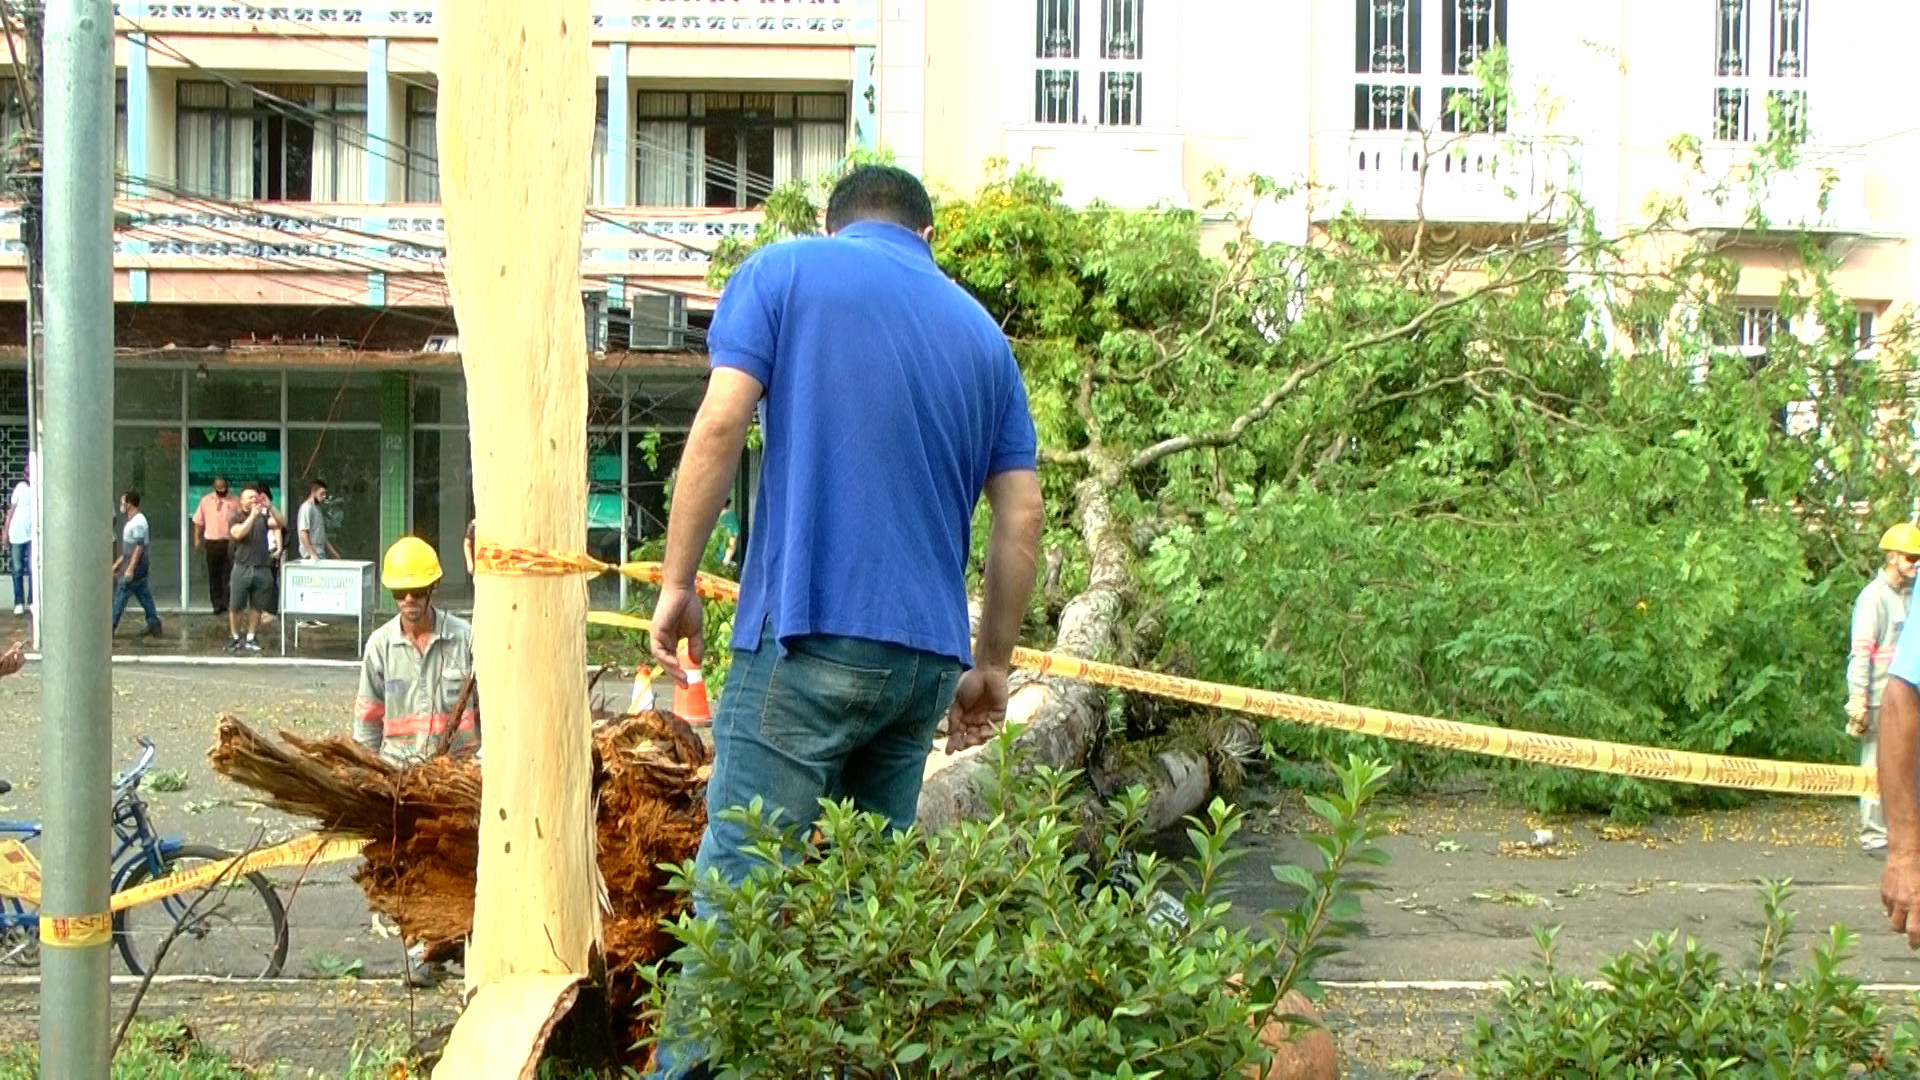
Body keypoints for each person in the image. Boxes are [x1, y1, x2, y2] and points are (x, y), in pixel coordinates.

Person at [646, 165, 1043, 1079]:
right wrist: (990, 664)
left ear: (834, 227)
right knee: (866, 914)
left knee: (738, 892)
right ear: (928, 238)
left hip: (805, 641)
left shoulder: (784, 274)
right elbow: (1022, 514)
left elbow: (717, 428)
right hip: (922, 668)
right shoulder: (982, 334)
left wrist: (677, 582)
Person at [353, 535, 478, 989]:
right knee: (411, 872)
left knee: (461, 867)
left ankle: (463, 949)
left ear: (433, 590)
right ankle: (422, 955)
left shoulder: (466, 641)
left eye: (415, 591)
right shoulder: (381, 648)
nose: (407, 600)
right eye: (398, 593)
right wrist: (366, 778)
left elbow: (493, 710)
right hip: (402, 780)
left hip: (458, 781)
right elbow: (367, 722)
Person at [1851, 523, 1920, 854]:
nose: (1915, 564)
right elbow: (1861, 653)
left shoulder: (1910, 596)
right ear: (1892, 557)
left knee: (1906, 765)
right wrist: (1857, 700)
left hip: (1907, 698)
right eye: (1910, 557)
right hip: (1879, 698)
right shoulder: (1873, 598)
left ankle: (1895, 832)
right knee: (1874, 764)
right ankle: (1873, 835)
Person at [226, 481, 284, 654]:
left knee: (257, 606)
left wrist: (270, 506)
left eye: (255, 497)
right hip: (242, 567)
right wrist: (252, 516)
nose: (253, 500)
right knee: (236, 606)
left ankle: (251, 637)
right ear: (241, 500)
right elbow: (238, 533)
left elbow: (281, 523)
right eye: (249, 497)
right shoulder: (235, 516)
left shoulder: (264, 515)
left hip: (262, 567)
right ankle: (235, 637)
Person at [111, 491, 163, 640]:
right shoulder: (131, 521)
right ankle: (154, 623)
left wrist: (130, 569)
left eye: (122, 503)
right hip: (132, 564)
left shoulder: (139, 522)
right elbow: (128, 550)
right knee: (143, 593)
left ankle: (111, 626)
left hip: (137, 566)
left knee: (121, 594)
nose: (121, 506)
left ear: (129, 504)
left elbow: (139, 548)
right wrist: (118, 564)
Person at [192, 476, 241, 615]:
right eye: (218, 489)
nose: (221, 491)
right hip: (212, 542)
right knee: (214, 574)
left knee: (228, 574)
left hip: (229, 542)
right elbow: (198, 522)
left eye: (223, 488)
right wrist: (197, 539)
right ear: (214, 488)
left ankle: (228, 603)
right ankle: (217, 604)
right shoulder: (206, 501)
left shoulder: (235, 501)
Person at [5, 464, 30, 616]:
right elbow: (11, 511)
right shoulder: (20, 488)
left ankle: (33, 600)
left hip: (32, 534)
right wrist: (5, 531)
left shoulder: (39, 488)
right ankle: (19, 602)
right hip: (17, 534)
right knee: (18, 569)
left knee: (34, 568)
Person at [297, 478, 340, 561]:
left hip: (320, 552)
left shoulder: (317, 508)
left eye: (325, 494)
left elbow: (322, 534)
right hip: (311, 555)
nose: (324, 497)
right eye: (322, 493)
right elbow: (303, 533)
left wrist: (332, 551)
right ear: (313, 492)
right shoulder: (306, 508)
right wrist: (312, 554)